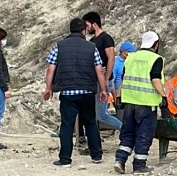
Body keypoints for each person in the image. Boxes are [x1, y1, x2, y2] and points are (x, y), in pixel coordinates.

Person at [42, 18, 108, 167]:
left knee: (67, 125)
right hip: (87, 92)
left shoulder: (59, 46)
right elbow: (99, 70)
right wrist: (103, 90)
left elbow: (51, 68)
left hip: (67, 93)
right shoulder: (92, 47)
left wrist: (48, 88)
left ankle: (65, 159)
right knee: (90, 122)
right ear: (83, 31)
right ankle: (96, 155)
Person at [113, 31, 167, 175]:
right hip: (147, 105)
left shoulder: (131, 57)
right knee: (144, 135)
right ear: (156, 45)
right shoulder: (156, 59)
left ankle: (120, 160)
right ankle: (139, 166)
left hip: (129, 102)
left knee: (128, 132)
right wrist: (164, 96)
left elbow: (123, 80)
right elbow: (155, 79)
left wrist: (118, 97)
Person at [78, 12, 120, 140]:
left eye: (87, 25)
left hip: (104, 81)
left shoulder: (106, 38)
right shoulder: (92, 41)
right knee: (93, 114)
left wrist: (106, 79)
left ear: (94, 24)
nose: (86, 28)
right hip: (94, 81)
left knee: (101, 115)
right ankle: (94, 139)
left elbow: (111, 59)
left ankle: (126, 130)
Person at [112, 41, 137, 124]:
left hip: (131, 95)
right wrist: (115, 97)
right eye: (130, 52)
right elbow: (112, 80)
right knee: (121, 121)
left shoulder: (131, 61)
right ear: (123, 52)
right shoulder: (115, 63)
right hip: (120, 95)